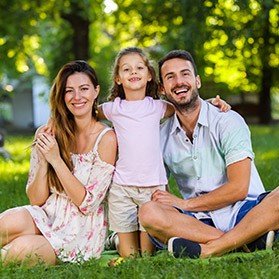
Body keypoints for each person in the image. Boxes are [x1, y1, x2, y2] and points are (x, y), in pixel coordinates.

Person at [139, 50, 279, 259]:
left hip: (247, 211)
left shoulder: (227, 120)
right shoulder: (161, 135)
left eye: (185, 74)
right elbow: (159, 194)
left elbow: (239, 188)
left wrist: (185, 204)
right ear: (162, 89)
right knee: (148, 212)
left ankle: (211, 248)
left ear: (197, 81)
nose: (179, 82)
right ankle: (246, 240)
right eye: (170, 77)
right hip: (197, 222)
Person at [98, 47, 230, 258]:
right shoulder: (113, 108)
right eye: (126, 69)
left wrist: (213, 104)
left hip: (153, 188)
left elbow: (188, 107)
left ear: (149, 75)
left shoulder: (159, 107)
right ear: (118, 78)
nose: (134, 72)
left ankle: (122, 237)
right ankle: (118, 239)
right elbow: (85, 113)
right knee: (129, 256)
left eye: (140, 67)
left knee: (148, 254)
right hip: (121, 188)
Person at [0, 61, 117, 265]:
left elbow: (87, 204)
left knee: (18, 251)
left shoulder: (106, 139)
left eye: (84, 89)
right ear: (62, 96)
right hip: (47, 215)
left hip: (79, 233)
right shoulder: (48, 133)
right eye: (69, 90)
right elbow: (36, 199)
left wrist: (56, 159)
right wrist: (45, 159)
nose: (77, 97)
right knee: (7, 222)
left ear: (96, 91)